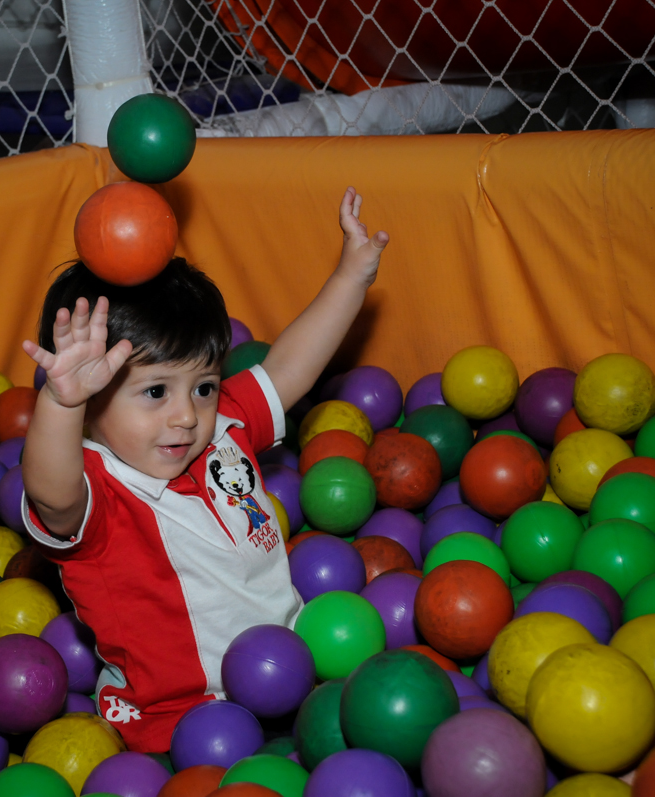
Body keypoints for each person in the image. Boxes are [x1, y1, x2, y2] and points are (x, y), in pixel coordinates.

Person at [20, 187, 389, 751]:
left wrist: (350, 278)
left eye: (204, 386)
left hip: (296, 670)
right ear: (91, 404)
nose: (187, 416)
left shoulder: (224, 428)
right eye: (155, 392)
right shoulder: (101, 492)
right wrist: (60, 403)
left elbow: (289, 368)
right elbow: (52, 492)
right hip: (177, 722)